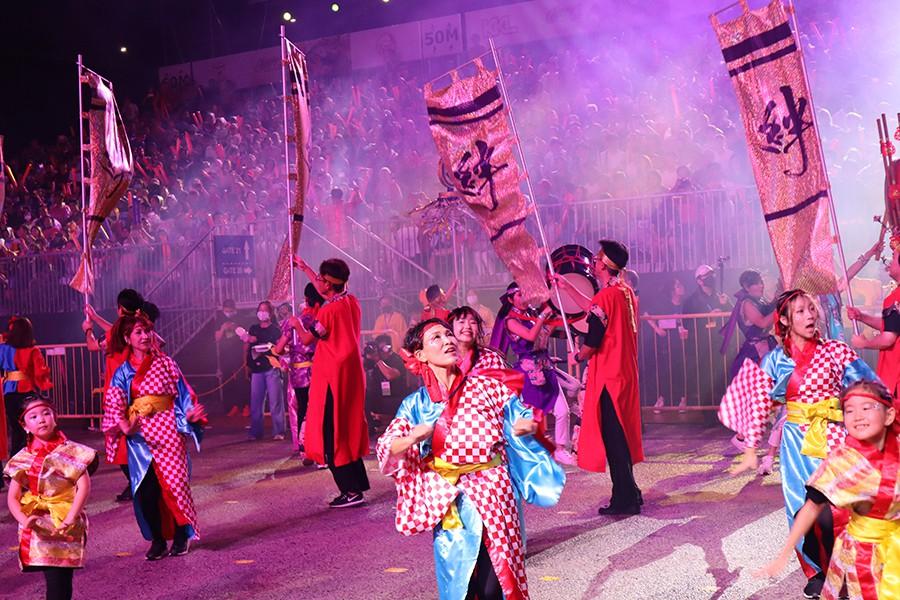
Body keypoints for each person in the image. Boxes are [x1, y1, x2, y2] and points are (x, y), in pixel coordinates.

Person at [376, 319, 565, 600]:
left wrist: (525, 425)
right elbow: (387, 446)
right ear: (420, 355)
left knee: (498, 582)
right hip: (451, 499)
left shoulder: (487, 387)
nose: (448, 340)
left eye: (448, 334)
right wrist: (412, 438)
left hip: (494, 490)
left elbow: (520, 413)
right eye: (436, 337)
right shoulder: (416, 404)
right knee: (460, 584)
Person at [720, 289, 877, 599]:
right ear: (784, 321)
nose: (810, 316)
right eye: (801, 312)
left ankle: (844, 569)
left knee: (837, 509)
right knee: (801, 507)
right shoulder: (776, 360)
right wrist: (750, 448)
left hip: (833, 436)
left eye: (811, 309)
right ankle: (817, 571)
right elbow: (759, 404)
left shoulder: (836, 350)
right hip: (796, 442)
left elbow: (868, 387)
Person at [756, 380, 898, 599]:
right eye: (849, 410)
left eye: (866, 407)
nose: (857, 416)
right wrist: (783, 556)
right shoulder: (842, 460)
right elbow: (811, 507)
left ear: (889, 415)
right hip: (862, 553)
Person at [101, 312, 206, 560]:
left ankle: (181, 536)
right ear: (127, 338)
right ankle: (158, 540)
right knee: (146, 490)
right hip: (139, 438)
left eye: (147, 331)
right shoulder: (123, 372)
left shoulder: (167, 363)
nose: (145, 336)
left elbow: (184, 394)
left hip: (168, 431)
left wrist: (190, 415)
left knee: (176, 485)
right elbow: (114, 402)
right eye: (138, 332)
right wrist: (125, 426)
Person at [556, 239, 644, 515]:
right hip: (624, 373)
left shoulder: (607, 296)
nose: (593, 263)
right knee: (621, 435)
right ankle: (631, 491)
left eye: (596, 260)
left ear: (605, 265)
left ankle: (625, 499)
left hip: (609, 376)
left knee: (614, 439)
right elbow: (595, 306)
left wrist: (578, 356)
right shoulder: (624, 292)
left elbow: (593, 339)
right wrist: (567, 287)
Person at [293, 256, 370, 507]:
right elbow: (322, 288)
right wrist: (304, 267)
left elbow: (307, 339)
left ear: (328, 283)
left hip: (332, 378)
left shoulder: (328, 311)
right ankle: (357, 486)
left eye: (321, 278)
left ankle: (350, 491)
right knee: (346, 428)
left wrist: (296, 325)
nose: (318, 281)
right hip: (350, 375)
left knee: (332, 433)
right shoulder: (351, 301)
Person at [4, 396, 96, 600]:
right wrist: (25, 520)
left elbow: (84, 487)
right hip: (38, 522)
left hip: (66, 516)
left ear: (55, 418)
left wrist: (70, 518)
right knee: (53, 577)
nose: (41, 419)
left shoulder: (74, 451)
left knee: (62, 577)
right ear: (25, 426)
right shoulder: (21, 458)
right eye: (33, 416)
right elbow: (13, 498)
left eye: (46, 413)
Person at [491, 284, 575, 464]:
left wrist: (559, 317)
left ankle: (561, 449)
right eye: (519, 295)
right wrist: (543, 316)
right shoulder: (510, 320)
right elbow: (530, 336)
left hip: (545, 367)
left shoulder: (531, 315)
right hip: (528, 373)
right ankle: (517, 453)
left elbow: (543, 335)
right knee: (527, 418)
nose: (524, 297)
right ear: (510, 299)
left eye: (525, 293)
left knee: (563, 410)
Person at [274, 283, 323, 461]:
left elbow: (279, 349)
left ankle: (305, 449)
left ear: (306, 299)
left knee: (303, 408)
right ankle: (320, 449)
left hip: (300, 374)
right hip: (319, 370)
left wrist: (292, 349)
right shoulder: (321, 318)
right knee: (319, 409)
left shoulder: (295, 322)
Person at [848, 240, 900, 399]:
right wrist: (862, 317)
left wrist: (864, 343)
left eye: (894, 257)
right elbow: (890, 326)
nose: (889, 262)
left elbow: (888, 338)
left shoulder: (895, 298)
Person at [1, 316, 53, 458]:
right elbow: (40, 372)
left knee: (16, 429)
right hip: (27, 392)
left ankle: (15, 461)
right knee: (29, 430)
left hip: (9, 393)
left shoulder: (3, 349)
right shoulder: (33, 351)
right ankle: (27, 460)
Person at [683, 264, 733, 406]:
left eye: (713, 274)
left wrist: (726, 305)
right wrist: (707, 317)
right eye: (707, 276)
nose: (712, 278)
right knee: (705, 377)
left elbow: (733, 316)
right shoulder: (691, 301)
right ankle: (707, 410)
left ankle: (723, 407)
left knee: (722, 375)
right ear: (699, 280)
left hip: (720, 342)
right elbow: (687, 323)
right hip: (702, 345)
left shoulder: (721, 297)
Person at [240, 301, 285, 441]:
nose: (262, 313)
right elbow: (246, 346)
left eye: (265, 310)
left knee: (275, 402)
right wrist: (246, 363)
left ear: (270, 313)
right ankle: (256, 432)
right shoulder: (253, 328)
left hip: (272, 368)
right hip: (256, 369)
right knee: (256, 402)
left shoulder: (275, 329)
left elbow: (281, 347)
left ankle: (279, 431)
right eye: (260, 310)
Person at [721, 269, 776, 380]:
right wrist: (780, 308)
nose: (761, 286)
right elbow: (762, 323)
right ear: (747, 287)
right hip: (754, 351)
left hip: (766, 346)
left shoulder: (760, 301)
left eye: (761, 282)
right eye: (757, 283)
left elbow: (770, 310)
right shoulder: (747, 303)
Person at [363, 334, 408, 436]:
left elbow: (390, 375)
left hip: (395, 398)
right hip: (379, 398)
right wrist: (366, 356)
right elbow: (364, 368)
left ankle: (384, 423)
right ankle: (373, 427)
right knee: (364, 397)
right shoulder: (376, 360)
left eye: (381, 348)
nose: (378, 351)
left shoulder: (396, 359)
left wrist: (378, 360)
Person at [448, 305, 507, 375]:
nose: (467, 326)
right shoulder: (443, 358)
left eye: (473, 322)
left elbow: (503, 381)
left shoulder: (490, 358)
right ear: (451, 327)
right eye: (461, 322)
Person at [214, 299, 249, 418]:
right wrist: (223, 328)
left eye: (230, 311)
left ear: (234, 309)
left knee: (241, 380)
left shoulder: (241, 319)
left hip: (239, 353)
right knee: (228, 381)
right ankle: (233, 406)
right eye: (226, 311)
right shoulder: (219, 320)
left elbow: (246, 337)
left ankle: (245, 405)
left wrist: (237, 329)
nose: (228, 313)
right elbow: (217, 338)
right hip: (225, 355)